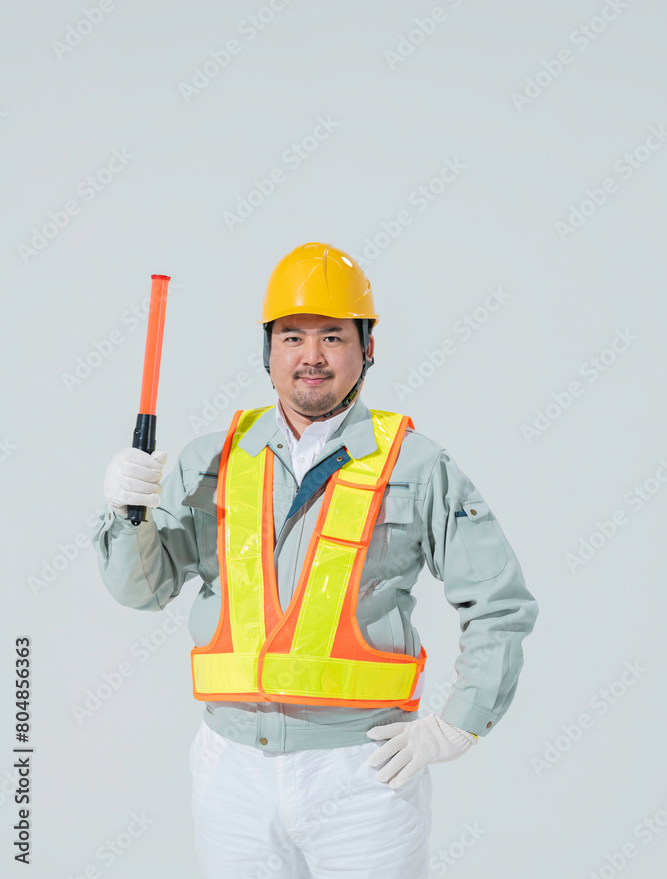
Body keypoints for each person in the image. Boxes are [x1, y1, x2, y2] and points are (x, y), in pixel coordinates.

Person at [92, 241, 539, 879]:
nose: (312, 356)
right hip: (231, 769)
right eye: (292, 337)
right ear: (268, 350)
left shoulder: (416, 465)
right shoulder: (211, 460)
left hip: (362, 771)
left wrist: (461, 722)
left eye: (333, 337)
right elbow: (144, 590)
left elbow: (499, 602)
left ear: (367, 348)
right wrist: (125, 514)